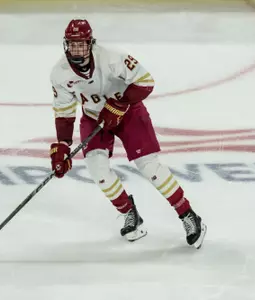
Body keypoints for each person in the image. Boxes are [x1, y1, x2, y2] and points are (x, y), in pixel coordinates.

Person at [49, 18, 207, 248]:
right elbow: (63, 112)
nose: (76, 50)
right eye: (72, 45)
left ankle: (189, 216)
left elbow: (145, 81)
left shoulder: (112, 57)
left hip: (129, 112)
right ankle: (129, 213)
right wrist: (62, 145)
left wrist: (120, 103)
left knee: (149, 166)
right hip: (94, 117)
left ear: (90, 43)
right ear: (66, 45)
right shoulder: (59, 73)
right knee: (97, 169)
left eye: (81, 44)